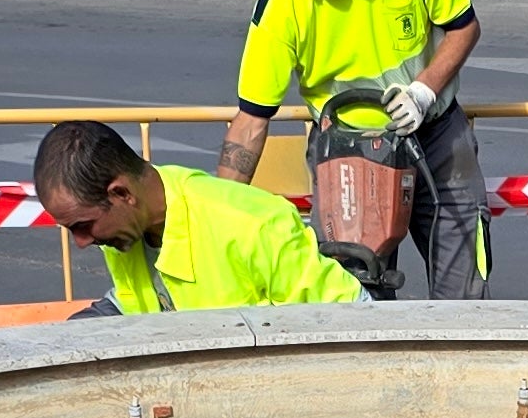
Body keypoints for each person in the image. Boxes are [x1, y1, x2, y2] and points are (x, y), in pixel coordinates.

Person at [218, 0, 489, 301]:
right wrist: (218, 217)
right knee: (359, 306)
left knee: (465, 297)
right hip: (347, 157)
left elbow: (464, 27)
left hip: (437, 138)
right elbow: (250, 123)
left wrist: (424, 92)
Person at [32, 120, 366, 315]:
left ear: (121, 194)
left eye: (82, 226)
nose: (81, 242)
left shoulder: (251, 224)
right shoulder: (125, 233)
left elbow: (354, 314)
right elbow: (137, 305)